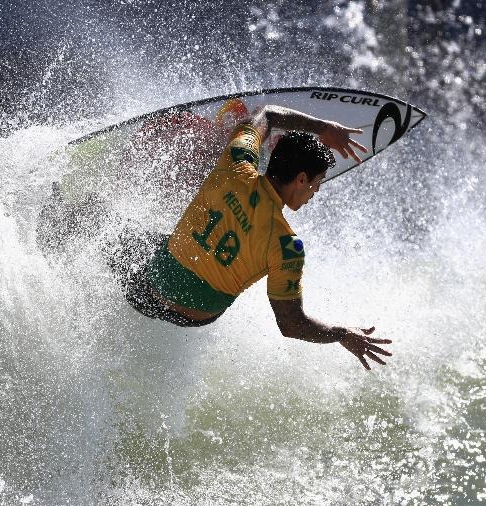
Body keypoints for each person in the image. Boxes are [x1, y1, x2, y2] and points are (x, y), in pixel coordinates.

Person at [103, 105, 392, 370]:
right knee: (167, 243)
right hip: (195, 315)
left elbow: (266, 115)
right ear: (301, 179)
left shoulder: (236, 161)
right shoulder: (287, 246)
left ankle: (65, 217)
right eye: (317, 184)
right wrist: (341, 334)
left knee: (109, 227)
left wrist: (322, 127)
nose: (315, 192)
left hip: (152, 287)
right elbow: (291, 324)